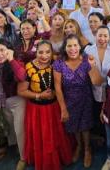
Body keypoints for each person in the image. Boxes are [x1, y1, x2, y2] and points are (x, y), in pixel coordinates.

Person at [17, 41, 72, 170]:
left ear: (52, 52)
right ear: (35, 53)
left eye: (47, 52)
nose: (44, 55)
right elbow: (21, 91)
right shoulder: (29, 67)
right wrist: (39, 96)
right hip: (36, 110)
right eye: (40, 52)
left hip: (54, 108)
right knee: (41, 137)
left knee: (56, 136)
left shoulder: (56, 63)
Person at [53, 34, 102, 168]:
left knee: (85, 127)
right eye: (69, 45)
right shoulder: (59, 63)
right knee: (73, 126)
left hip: (85, 99)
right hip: (68, 101)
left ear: (80, 47)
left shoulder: (87, 60)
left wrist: (93, 67)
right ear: (65, 47)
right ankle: (79, 146)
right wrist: (63, 108)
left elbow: (98, 82)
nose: (73, 48)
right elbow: (57, 87)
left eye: (75, 45)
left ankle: (87, 149)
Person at [0, 39, 27, 170]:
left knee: (20, 130)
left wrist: (11, 59)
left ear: (9, 51)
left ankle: (23, 158)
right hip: (3, 102)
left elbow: (22, 77)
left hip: (18, 101)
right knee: (11, 129)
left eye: (2, 50)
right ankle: (18, 147)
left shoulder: (16, 62)